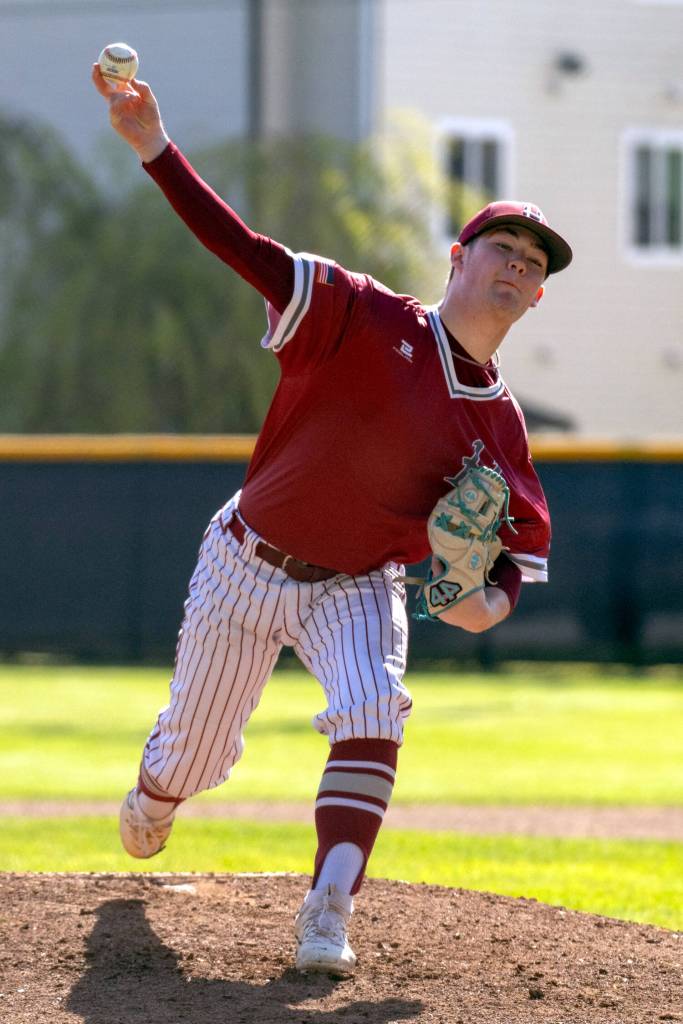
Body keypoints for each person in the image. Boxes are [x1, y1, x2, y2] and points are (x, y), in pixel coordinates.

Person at [92, 65, 572, 975]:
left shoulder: (501, 427)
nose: (516, 264)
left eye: (533, 262)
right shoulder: (358, 314)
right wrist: (155, 151)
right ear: (456, 261)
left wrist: (482, 606)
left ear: (538, 296)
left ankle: (327, 908)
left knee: (374, 708)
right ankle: (156, 797)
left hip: (358, 582)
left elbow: (514, 566)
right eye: (501, 246)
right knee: (196, 759)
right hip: (245, 559)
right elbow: (247, 251)